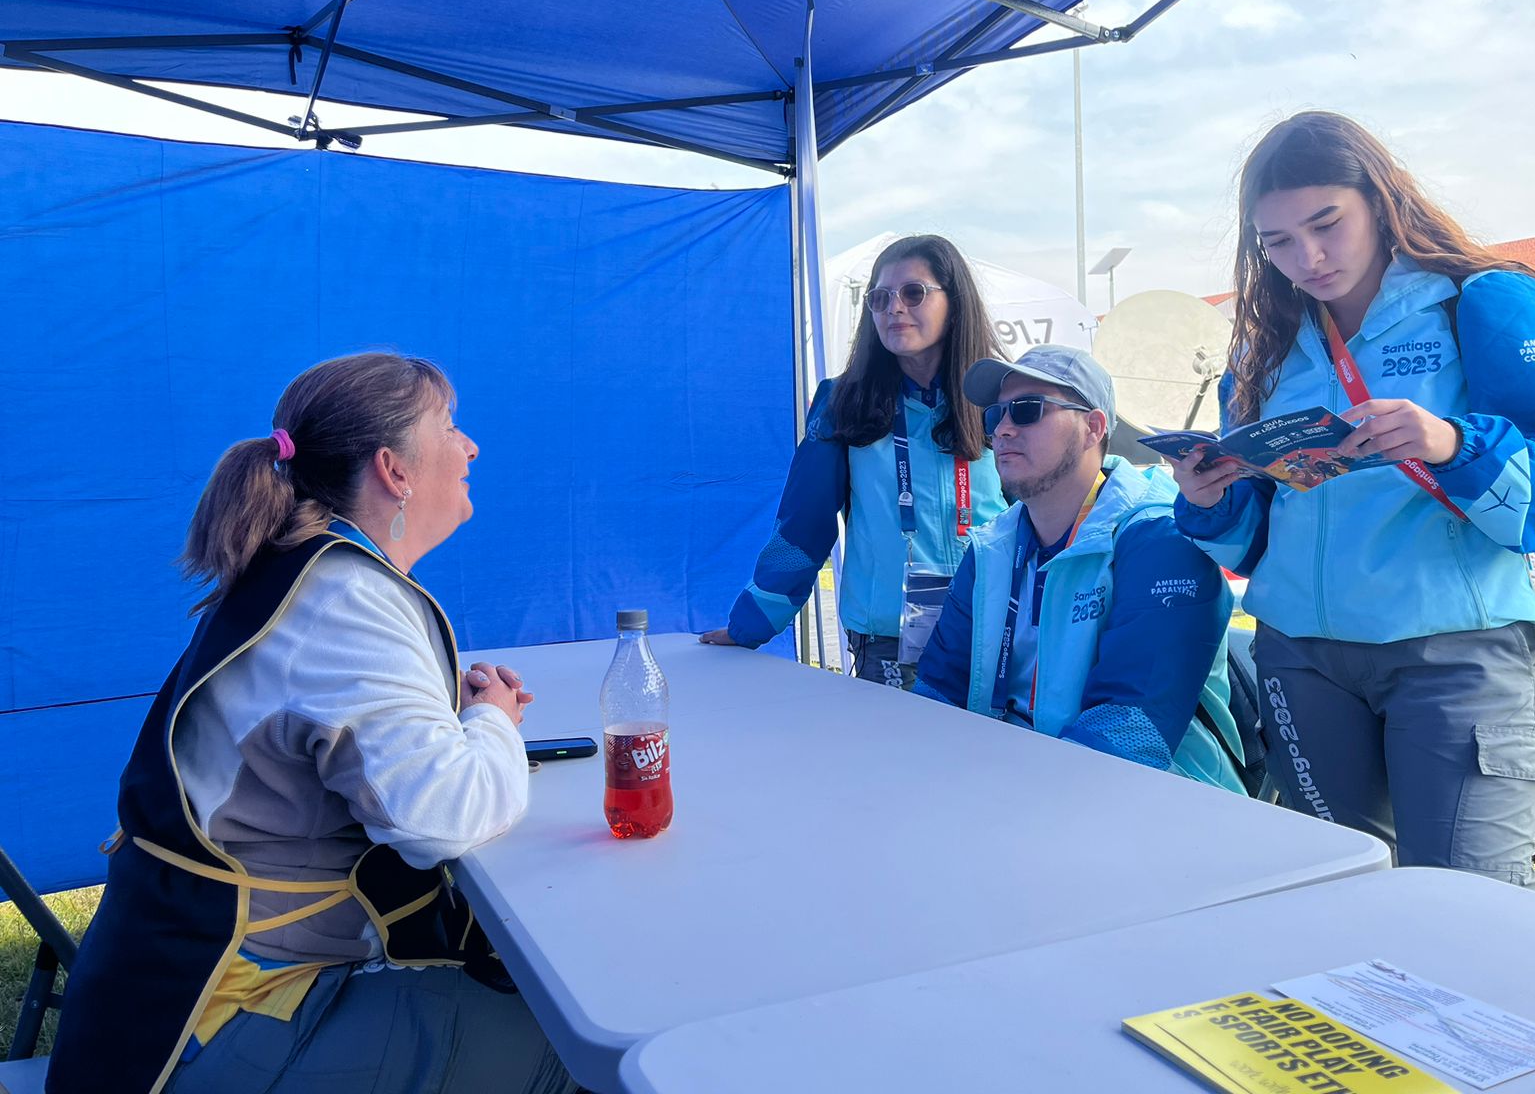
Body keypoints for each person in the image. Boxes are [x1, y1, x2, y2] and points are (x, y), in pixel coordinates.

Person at [48, 354, 575, 1094]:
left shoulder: (307, 569)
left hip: (164, 997)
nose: (470, 446)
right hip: (227, 1021)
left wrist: (438, 712)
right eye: (449, 427)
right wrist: (491, 722)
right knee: (578, 1048)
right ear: (394, 469)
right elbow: (442, 818)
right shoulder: (343, 598)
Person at [1172, 110, 1535, 886]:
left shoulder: (1483, 302)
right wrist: (1211, 502)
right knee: (1341, 891)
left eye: (1326, 223)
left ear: (1379, 198)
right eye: (1278, 242)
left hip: (1456, 649)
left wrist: (1452, 443)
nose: (1308, 258)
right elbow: (1260, 539)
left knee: (1469, 903)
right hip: (1300, 654)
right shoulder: (1261, 348)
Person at [913, 345, 1247, 792]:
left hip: (1158, 803)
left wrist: (1004, 795)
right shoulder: (991, 547)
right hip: (1015, 785)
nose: (1003, 430)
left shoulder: (1160, 539)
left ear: (1093, 428)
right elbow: (937, 691)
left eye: (1027, 410)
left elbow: (1129, 732)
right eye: (995, 416)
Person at [701, 235, 1008, 688]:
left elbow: (1041, 519)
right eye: (880, 298)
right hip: (888, 638)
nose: (894, 308)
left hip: (992, 628)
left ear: (955, 302)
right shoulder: (843, 402)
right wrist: (751, 624)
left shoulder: (1001, 398)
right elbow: (803, 524)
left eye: (913, 293)